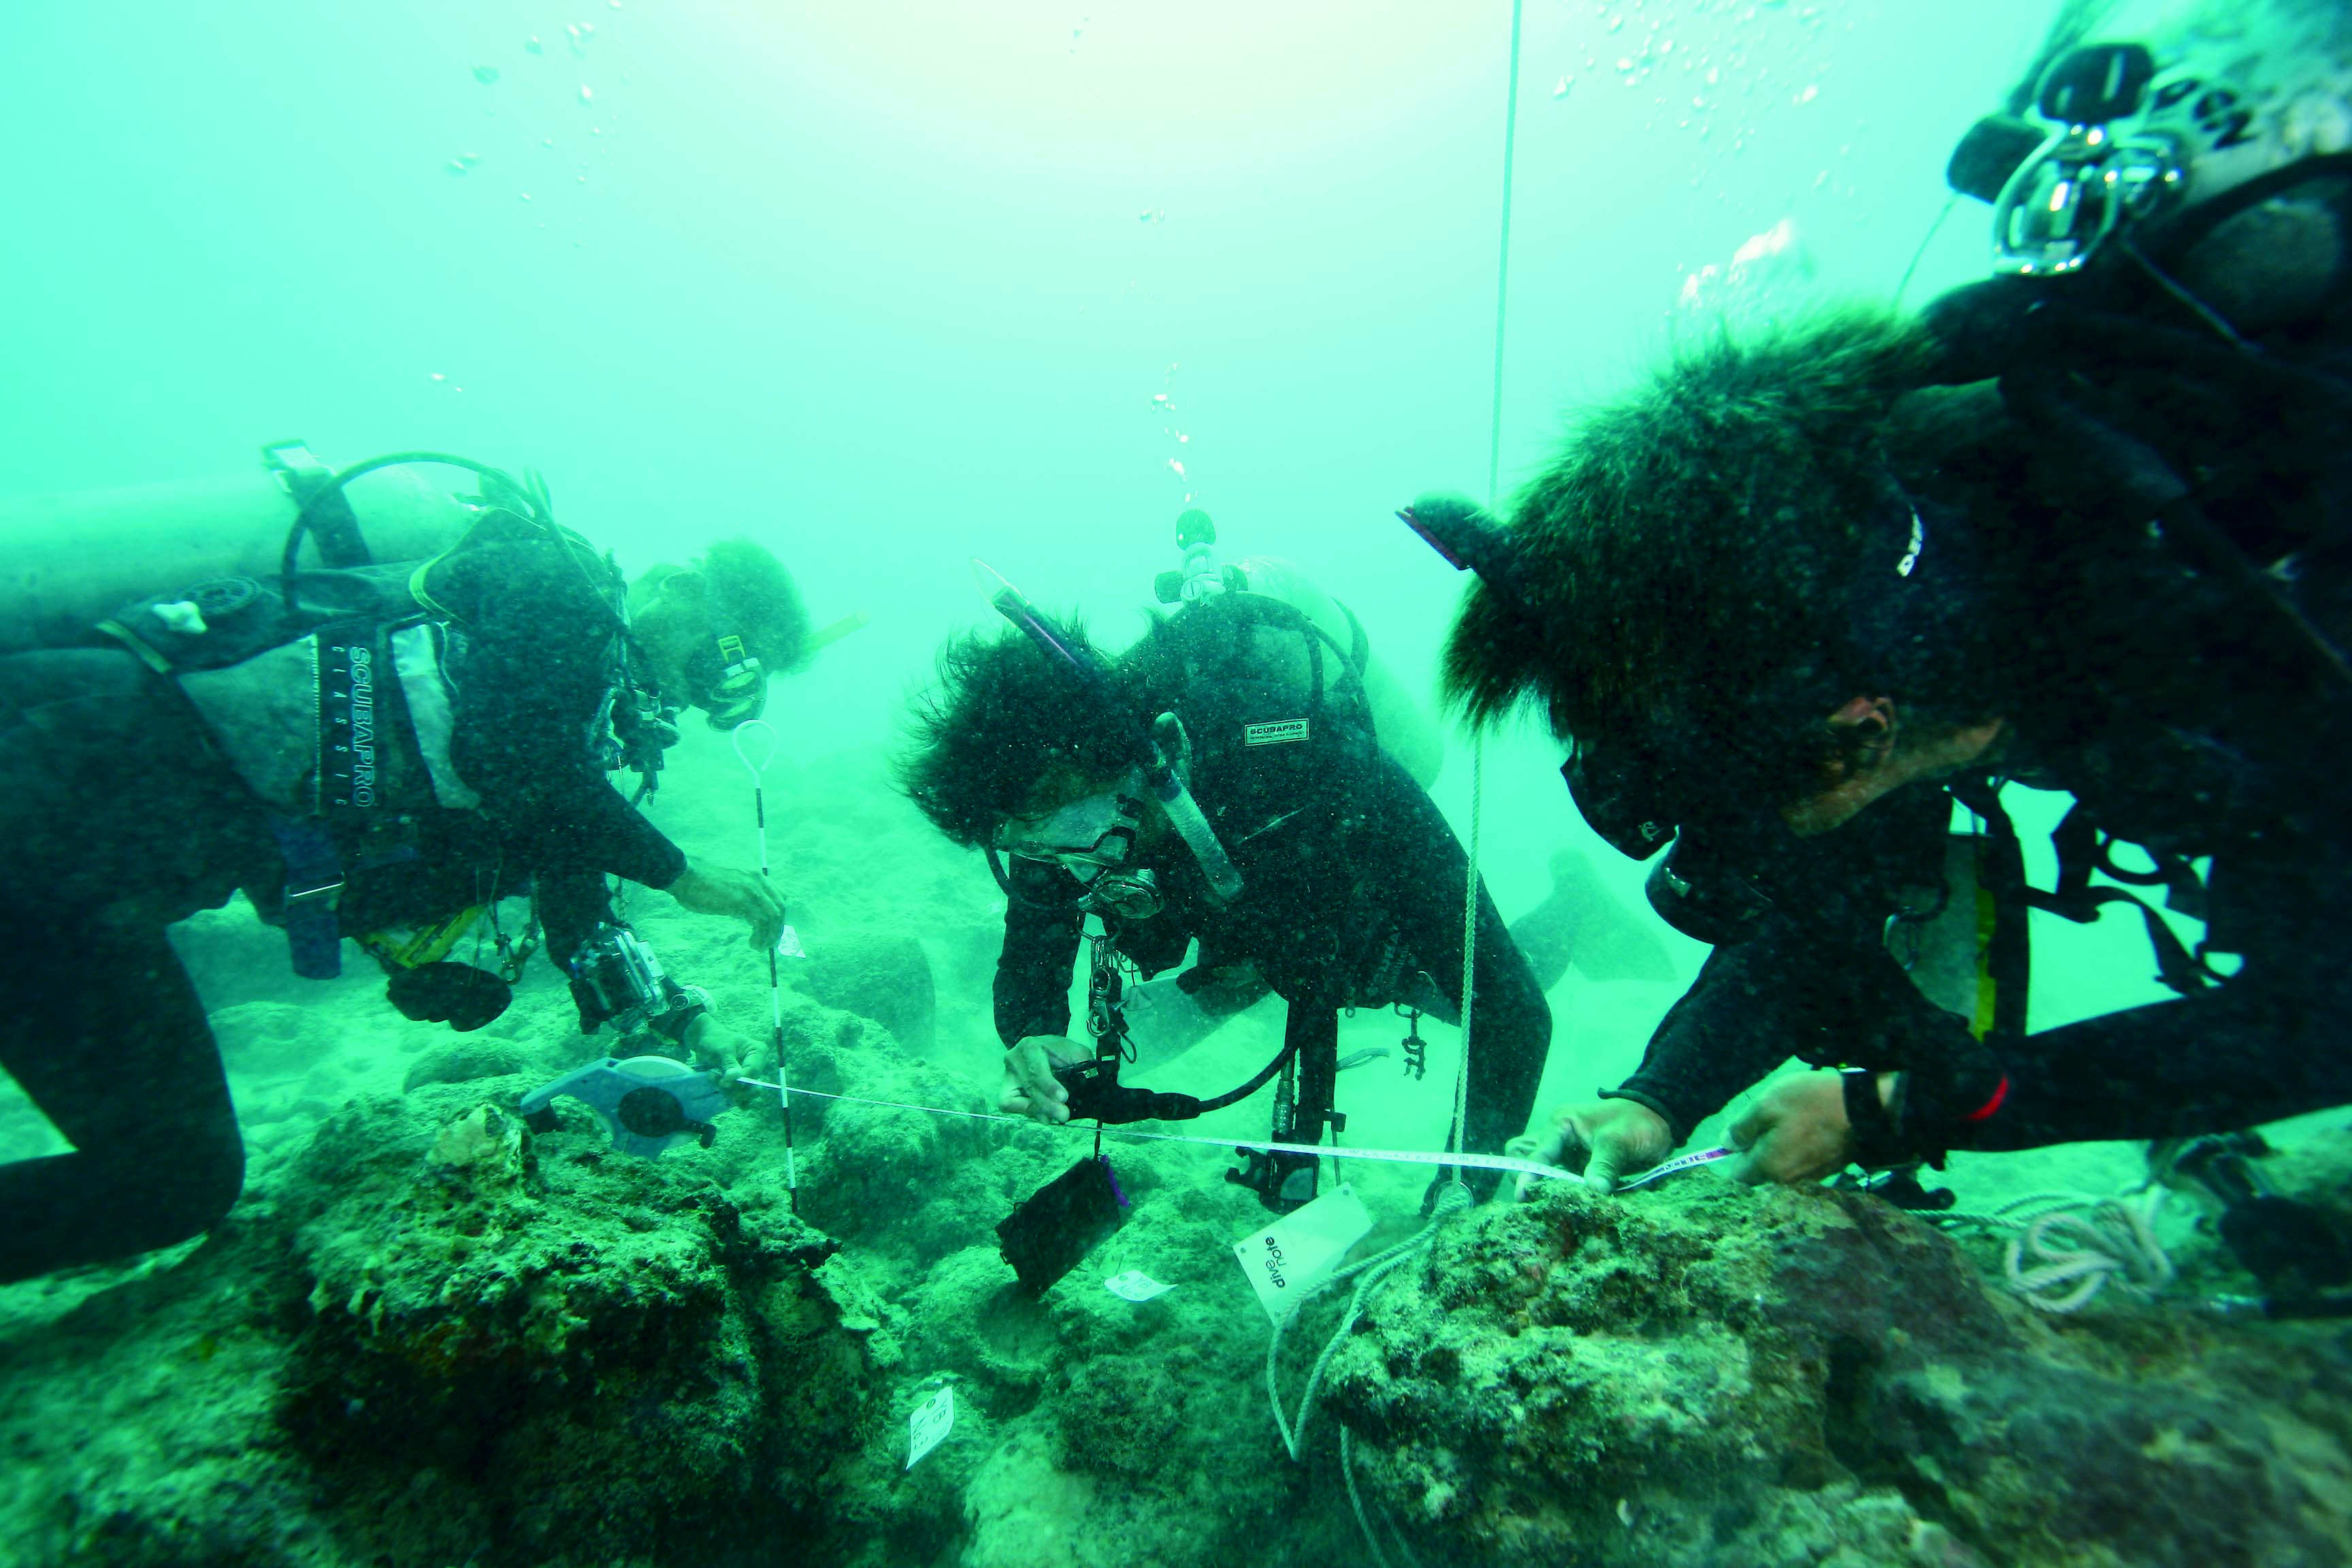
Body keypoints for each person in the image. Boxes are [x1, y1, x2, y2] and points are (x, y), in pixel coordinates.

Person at [1422, 0, 2352, 1215]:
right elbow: (1817, 912)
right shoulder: (1882, 627)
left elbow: (2319, 1011)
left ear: (1857, 726)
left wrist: (1906, 1105)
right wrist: (1657, 1097)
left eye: (1736, 805)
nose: (1727, 845)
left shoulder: (2244, 600)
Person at [0, 473, 803, 1284]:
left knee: (176, 1180)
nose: (707, 687)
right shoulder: (552, 583)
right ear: (682, 586)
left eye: (735, 678)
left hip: (103, 884)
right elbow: (508, 758)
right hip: (63, 760)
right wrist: (681, 872)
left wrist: (688, 1023)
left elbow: (579, 905)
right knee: (171, 1181)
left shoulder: (579, 720)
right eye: (723, 653)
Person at [897, 583, 1565, 1211]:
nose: (1070, 870)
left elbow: (1512, 1011)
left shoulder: (1312, 762)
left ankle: (1574, 915)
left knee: (1449, 988)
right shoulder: (1055, 815)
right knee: (1199, 986)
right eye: (1029, 845)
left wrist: (1457, 1199)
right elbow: (1031, 962)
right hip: (1231, 916)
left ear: (1147, 761)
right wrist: (1033, 1032)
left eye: (1070, 827)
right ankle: (1244, 968)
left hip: (1334, 905)